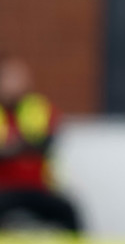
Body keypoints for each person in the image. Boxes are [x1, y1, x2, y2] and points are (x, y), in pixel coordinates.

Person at [0, 54, 83, 234]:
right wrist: (27, 145)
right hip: (4, 188)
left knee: (68, 210)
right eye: (9, 78)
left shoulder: (39, 108)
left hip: (39, 187)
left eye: (19, 78)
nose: (14, 85)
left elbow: (48, 144)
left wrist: (12, 148)